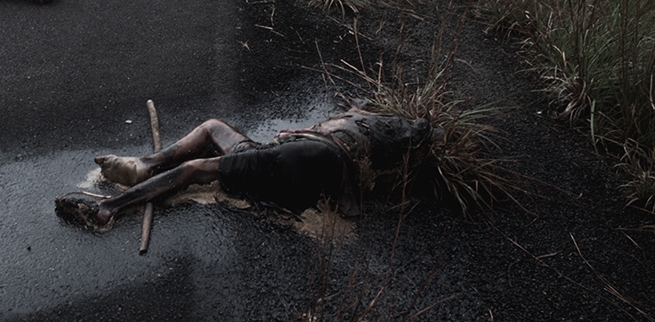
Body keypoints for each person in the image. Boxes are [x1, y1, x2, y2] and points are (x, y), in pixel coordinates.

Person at [54, 108, 436, 231]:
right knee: (212, 126)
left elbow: (347, 192)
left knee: (196, 168)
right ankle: (145, 165)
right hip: (285, 151)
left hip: (295, 157)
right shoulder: (381, 127)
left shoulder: (378, 138)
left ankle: (110, 208)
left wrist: (347, 203)